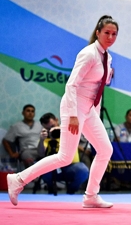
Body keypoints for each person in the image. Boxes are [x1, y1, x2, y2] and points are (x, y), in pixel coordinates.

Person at [7, 15, 119, 208]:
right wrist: (74, 115)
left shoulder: (107, 57)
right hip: (74, 106)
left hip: (89, 109)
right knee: (65, 157)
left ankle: (91, 195)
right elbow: (71, 85)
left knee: (106, 149)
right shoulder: (89, 53)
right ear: (98, 33)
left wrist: (94, 110)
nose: (110, 36)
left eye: (114, 34)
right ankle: (18, 179)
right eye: (107, 32)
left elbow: (97, 88)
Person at [38, 113, 89, 194]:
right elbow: (41, 154)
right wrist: (41, 140)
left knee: (83, 170)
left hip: (71, 166)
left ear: (56, 120)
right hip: (52, 167)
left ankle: (71, 189)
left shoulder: (68, 130)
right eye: (48, 128)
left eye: (52, 126)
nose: (51, 130)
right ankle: (51, 188)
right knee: (41, 169)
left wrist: (61, 130)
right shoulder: (46, 137)